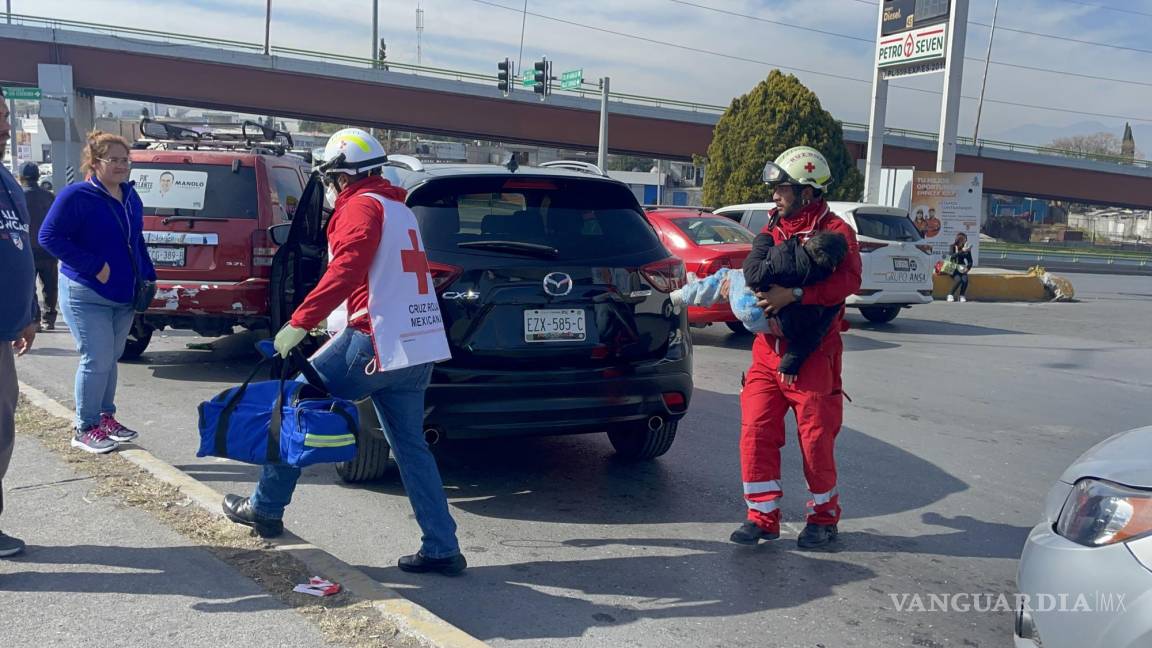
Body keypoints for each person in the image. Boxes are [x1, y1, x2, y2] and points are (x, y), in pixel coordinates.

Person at [222, 129, 466, 576]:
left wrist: (299, 321)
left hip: (374, 340)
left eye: (330, 178)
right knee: (411, 448)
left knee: (291, 404)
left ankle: (265, 508)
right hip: (417, 345)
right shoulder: (399, 208)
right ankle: (441, 545)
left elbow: (348, 267)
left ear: (340, 175)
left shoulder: (358, 206)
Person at [730, 146, 862, 550]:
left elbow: (848, 284)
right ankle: (762, 517)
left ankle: (823, 517)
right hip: (766, 352)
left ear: (807, 192)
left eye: (782, 189)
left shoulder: (838, 233)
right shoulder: (774, 227)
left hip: (814, 353)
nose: (775, 196)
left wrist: (798, 294)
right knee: (755, 431)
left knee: (815, 440)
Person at [38, 131, 155, 454]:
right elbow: (49, 236)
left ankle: (106, 417)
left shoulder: (130, 197)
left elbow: (136, 241)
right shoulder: (77, 196)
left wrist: (148, 275)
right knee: (96, 358)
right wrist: (93, 265)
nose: (121, 166)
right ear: (95, 162)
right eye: (113, 160)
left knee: (111, 358)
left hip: (124, 293)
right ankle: (85, 426)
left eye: (124, 160)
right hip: (86, 292)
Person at [672, 232, 849, 375]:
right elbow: (813, 334)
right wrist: (789, 364)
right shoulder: (829, 291)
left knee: (727, 275)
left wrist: (762, 241)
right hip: (772, 326)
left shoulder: (787, 256)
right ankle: (697, 286)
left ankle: (681, 295)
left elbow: (753, 275)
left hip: (750, 305)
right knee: (729, 279)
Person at [0, 96, 39, 557]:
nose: (7, 126)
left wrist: (27, 314)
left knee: (2, 429)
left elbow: (19, 249)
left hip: (7, 328)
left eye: (7, 118)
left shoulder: (8, 180)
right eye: (2, 119)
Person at [19, 162, 58, 330]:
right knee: (50, 285)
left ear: (21, 177)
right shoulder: (49, 196)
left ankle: (35, 318)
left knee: (30, 287)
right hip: (48, 248)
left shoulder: (18, 195)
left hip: (26, 249)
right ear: (37, 176)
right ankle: (49, 318)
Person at [946, 232, 973, 303]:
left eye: (965, 240)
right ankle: (950, 295)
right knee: (958, 280)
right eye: (963, 239)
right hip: (952, 268)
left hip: (962, 268)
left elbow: (970, 261)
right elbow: (952, 256)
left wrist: (968, 268)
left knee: (965, 280)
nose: (965, 241)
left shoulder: (966, 249)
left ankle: (962, 295)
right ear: (958, 240)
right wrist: (962, 251)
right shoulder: (952, 247)